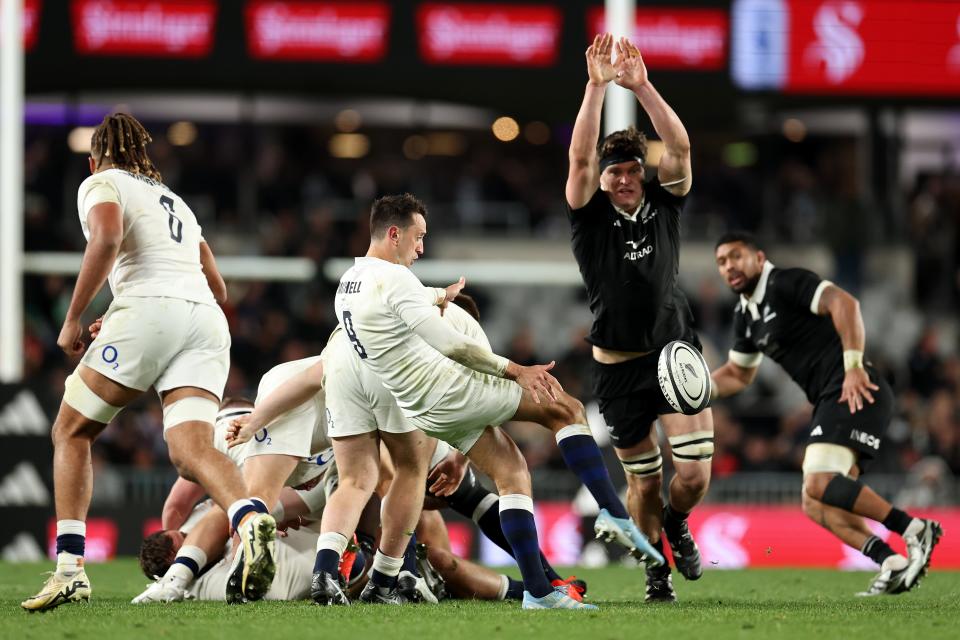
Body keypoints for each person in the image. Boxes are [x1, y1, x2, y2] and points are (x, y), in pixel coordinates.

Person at [332, 193, 666, 610]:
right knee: (565, 408)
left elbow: (395, 308)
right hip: (445, 387)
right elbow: (451, 345)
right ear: (394, 233)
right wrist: (517, 370)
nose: (421, 248)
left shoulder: (351, 282)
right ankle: (613, 511)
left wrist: (440, 294)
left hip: (420, 407)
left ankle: (540, 593)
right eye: (418, 238)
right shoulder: (397, 280)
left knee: (511, 470)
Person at [21, 114, 275, 612]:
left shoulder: (101, 182)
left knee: (71, 432)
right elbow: (218, 288)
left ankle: (70, 569)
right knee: (191, 450)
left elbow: (108, 238)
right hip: (205, 320)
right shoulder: (174, 201)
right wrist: (129, 316)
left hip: (150, 311)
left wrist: (76, 318)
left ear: (94, 159)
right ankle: (248, 517)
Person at [710, 231, 943, 595]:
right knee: (814, 502)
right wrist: (695, 391)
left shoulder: (785, 282)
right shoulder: (745, 316)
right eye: (722, 262)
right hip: (829, 398)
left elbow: (845, 304)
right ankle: (891, 561)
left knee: (818, 481)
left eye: (735, 256)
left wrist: (852, 366)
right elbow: (739, 374)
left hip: (855, 387)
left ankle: (915, 529)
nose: (729, 267)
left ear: (758, 257)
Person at [565, 34, 710, 601]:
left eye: (631, 170)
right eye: (614, 172)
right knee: (643, 482)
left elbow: (681, 145)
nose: (623, 179)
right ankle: (656, 571)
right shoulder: (588, 218)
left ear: (641, 174)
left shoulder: (666, 204)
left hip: (674, 354)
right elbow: (578, 156)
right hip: (619, 369)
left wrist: (642, 87)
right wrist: (596, 87)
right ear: (602, 179)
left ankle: (678, 523)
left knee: (692, 477)